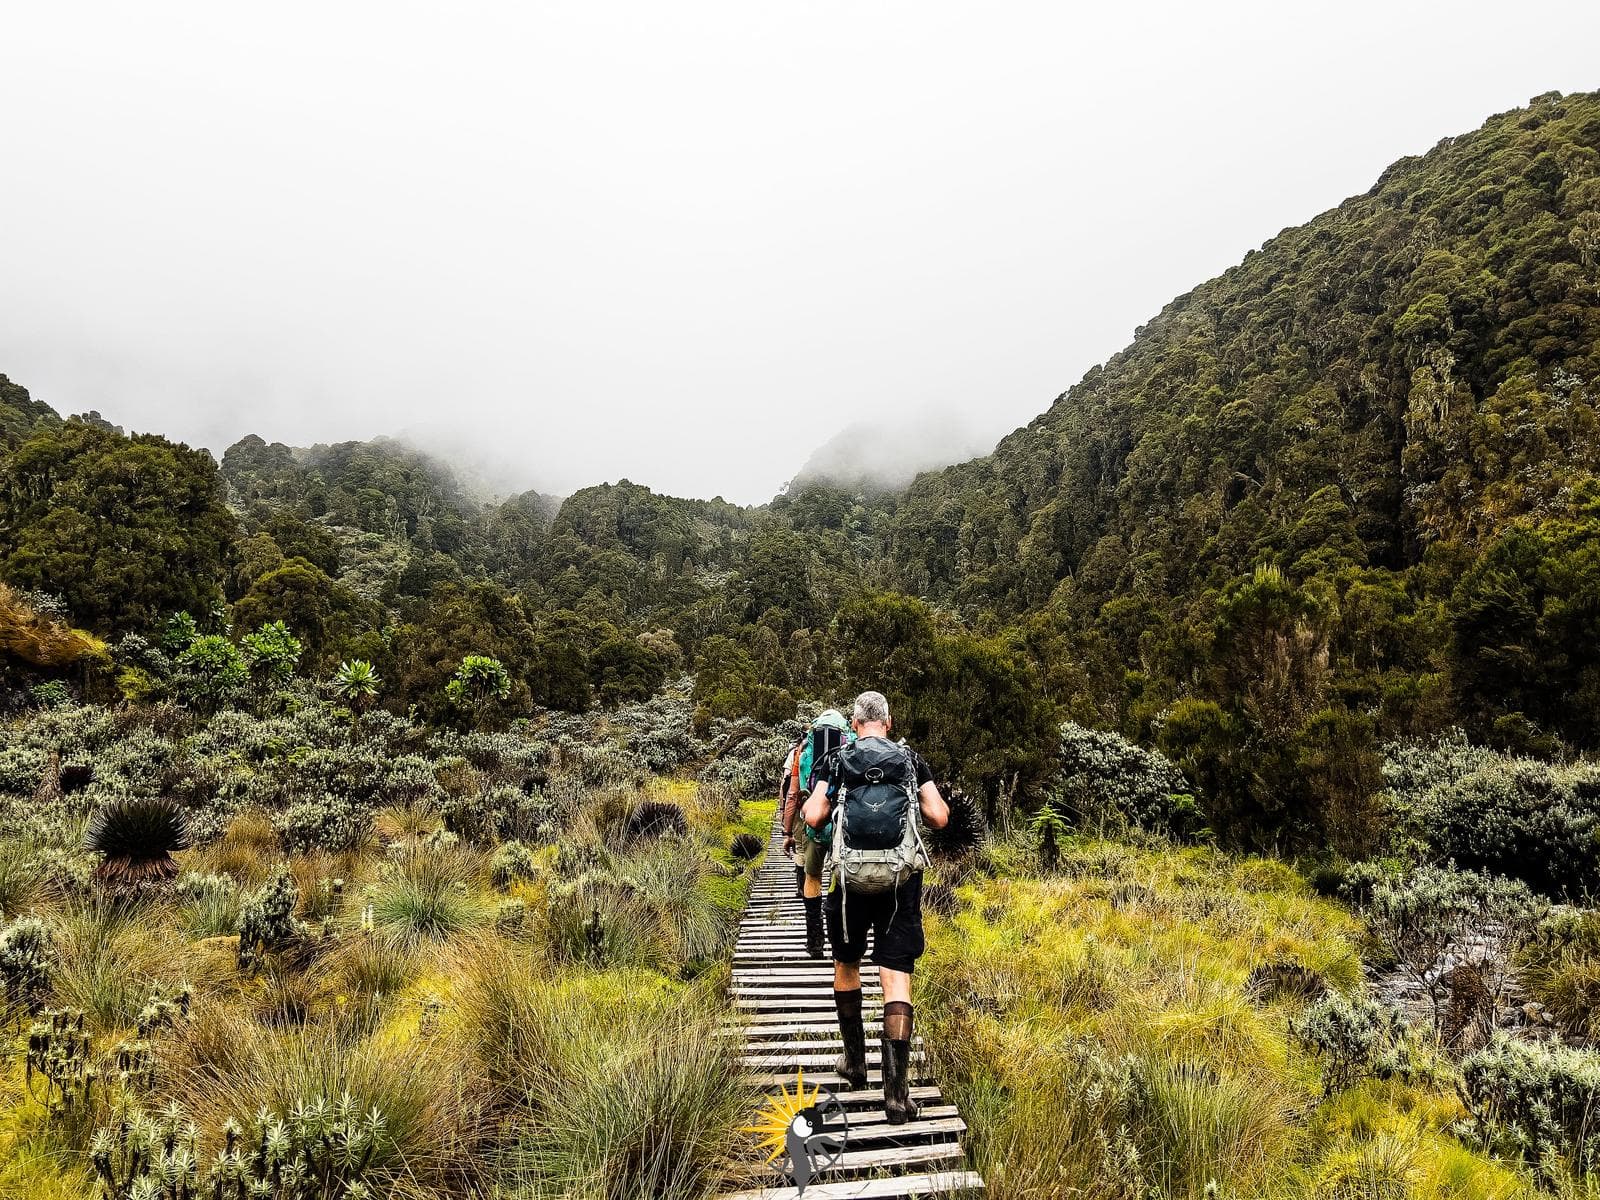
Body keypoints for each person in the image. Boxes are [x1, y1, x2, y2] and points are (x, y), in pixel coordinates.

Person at [802, 690, 948, 1124]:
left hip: (848, 884)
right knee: (896, 981)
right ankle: (897, 1097)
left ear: (854, 721)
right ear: (888, 721)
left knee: (847, 965)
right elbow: (939, 816)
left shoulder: (836, 760)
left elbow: (813, 816)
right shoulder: (909, 759)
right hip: (900, 884)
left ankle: (855, 1063)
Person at [781, 709, 852, 957]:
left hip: (814, 825)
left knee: (812, 877)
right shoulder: (851, 745)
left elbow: (793, 795)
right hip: (845, 825)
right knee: (843, 878)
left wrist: (787, 831)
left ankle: (815, 942)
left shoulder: (803, 751)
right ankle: (842, 940)